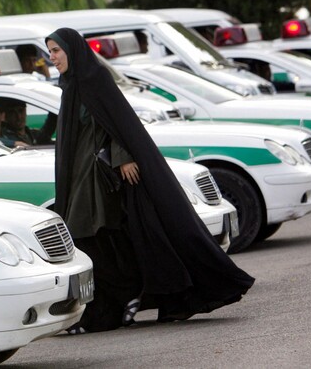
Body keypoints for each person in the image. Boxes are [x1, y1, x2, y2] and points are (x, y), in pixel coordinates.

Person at [46, 27, 254, 334]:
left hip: (98, 179)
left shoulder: (95, 79)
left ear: (72, 50)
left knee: (93, 237)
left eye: (56, 51)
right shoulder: (71, 84)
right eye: (49, 52)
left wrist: (123, 155)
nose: (52, 58)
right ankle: (113, 307)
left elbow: (119, 119)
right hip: (80, 177)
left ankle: (121, 301)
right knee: (99, 241)